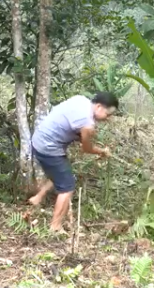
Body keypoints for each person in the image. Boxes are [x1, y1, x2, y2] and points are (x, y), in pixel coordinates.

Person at [28, 92, 118, 232]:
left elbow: (71, 124)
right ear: (99, 107)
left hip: (37, 140)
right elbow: (87, 148)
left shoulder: (80, 100)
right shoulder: (86, 123)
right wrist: (102, 152)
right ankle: (55, 227)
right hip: (48, 148)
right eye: (108, 114)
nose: (108, 118)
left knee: (61, 172)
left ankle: (38, 198)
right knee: (67, 186)